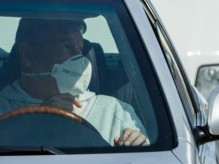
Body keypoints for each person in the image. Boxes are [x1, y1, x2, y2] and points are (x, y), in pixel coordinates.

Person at [0, 18, 148, 147]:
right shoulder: (3, 108)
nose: (80, 60)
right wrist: (41, 122)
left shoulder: (114, 111)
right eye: (66, 46)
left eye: (80, 49)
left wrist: (138, 145)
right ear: (28, 55)